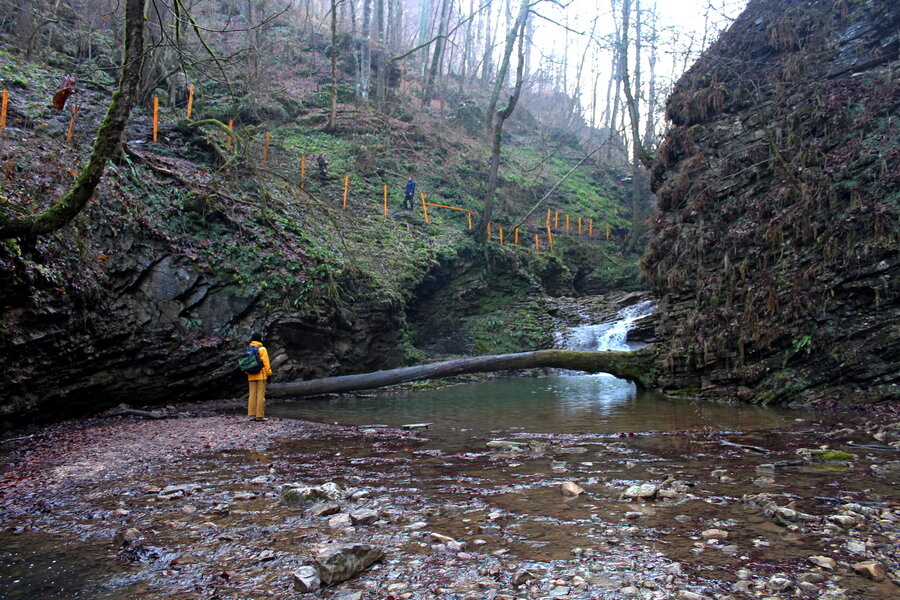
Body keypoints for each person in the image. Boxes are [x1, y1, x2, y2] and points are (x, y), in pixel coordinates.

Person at [246, 332, 273, 421]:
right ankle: (259, 416)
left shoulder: (249, 348)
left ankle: (252, 414)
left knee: (252, 395)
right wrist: (269, 374)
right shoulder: (262, 349)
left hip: (250, 375)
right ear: (260, 338)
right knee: (260, 396)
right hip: (260, 375)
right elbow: (266, 364)